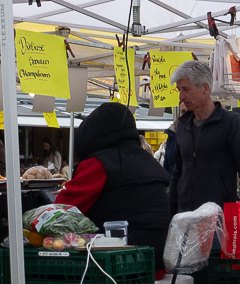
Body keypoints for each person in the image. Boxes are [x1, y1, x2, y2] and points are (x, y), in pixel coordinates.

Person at [57, 101, 173, 249]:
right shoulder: (151, 162)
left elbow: (60, 210)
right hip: (158, 257)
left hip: (117, 260)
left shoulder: (99, 164)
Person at [164, 59, 240, 211]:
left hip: (219, 218)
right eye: (179, 89)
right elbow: (177, 172)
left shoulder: (231, 123)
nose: (181, 96)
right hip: (184, 218)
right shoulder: (182, 125)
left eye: (186, 89)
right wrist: (170, 215)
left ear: (205, 88)